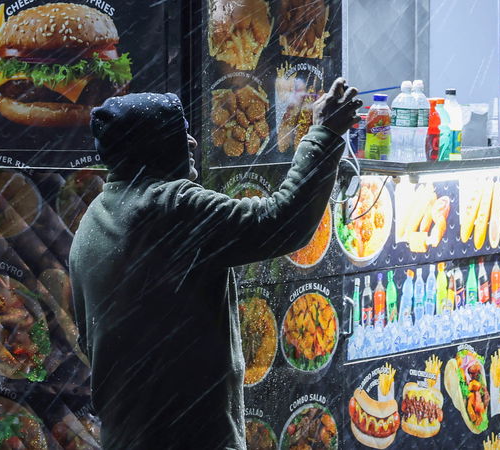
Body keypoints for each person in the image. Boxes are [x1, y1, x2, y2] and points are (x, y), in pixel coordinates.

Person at [69, 79, 361, 450]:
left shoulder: (94, 218)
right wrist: (325, 133)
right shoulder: (170, 205)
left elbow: (86, 334)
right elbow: (282, 222)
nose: (191, 143)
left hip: (125, 431)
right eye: (179, 133)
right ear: (153, 147)